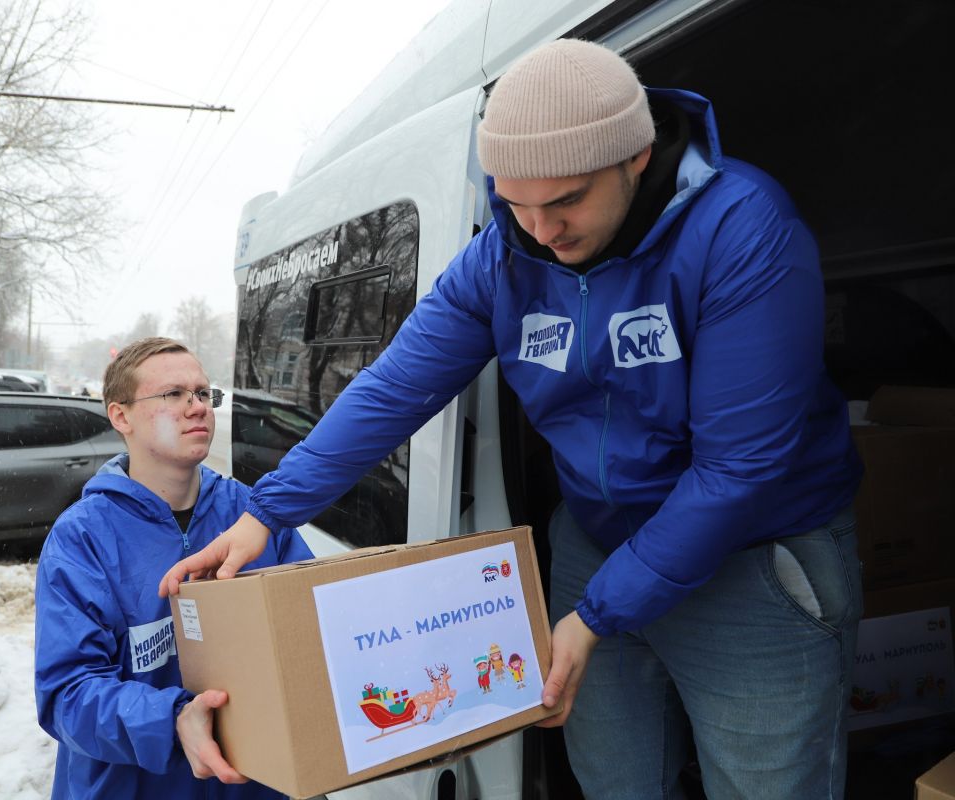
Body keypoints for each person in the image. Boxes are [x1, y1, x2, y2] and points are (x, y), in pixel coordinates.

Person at [161, 39, 864, 799]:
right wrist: (267, 513)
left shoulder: (742, 229)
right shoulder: (503, 254)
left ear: (635, 155)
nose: (542, 232)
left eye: (565, 201)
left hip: (752, 558)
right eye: (516, 204)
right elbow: (394, 387)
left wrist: (594, 616)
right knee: (614, 780)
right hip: (598, 545)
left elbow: (739, 469)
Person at [34, 337, 313, 800]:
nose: (197, 407)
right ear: (120, 416)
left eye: (203, 393)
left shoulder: (252, 516)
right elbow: (68, 694)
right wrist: (174, 720)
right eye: (173, 395)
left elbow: (309, 628)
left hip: (254, 784)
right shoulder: (82, 536)